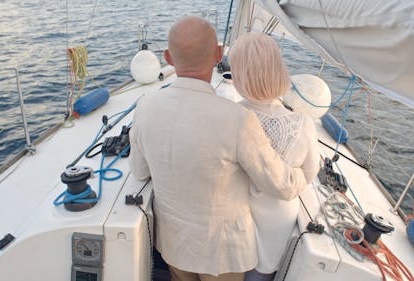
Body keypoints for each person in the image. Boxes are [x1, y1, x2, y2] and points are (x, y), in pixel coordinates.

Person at [129, 16, 309, 281]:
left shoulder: (145, 107)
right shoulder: (238, 119)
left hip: (174, 245)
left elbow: (139, 171)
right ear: (217, 54)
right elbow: (281, 185)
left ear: (167, 57)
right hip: (224, 255)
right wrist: (304, 174)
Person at [229, 33, 321, 281]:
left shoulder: (229, 116)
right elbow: (311, 173)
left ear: (239, 77)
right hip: (276, 220)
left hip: (234, 217)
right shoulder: (303, 124)